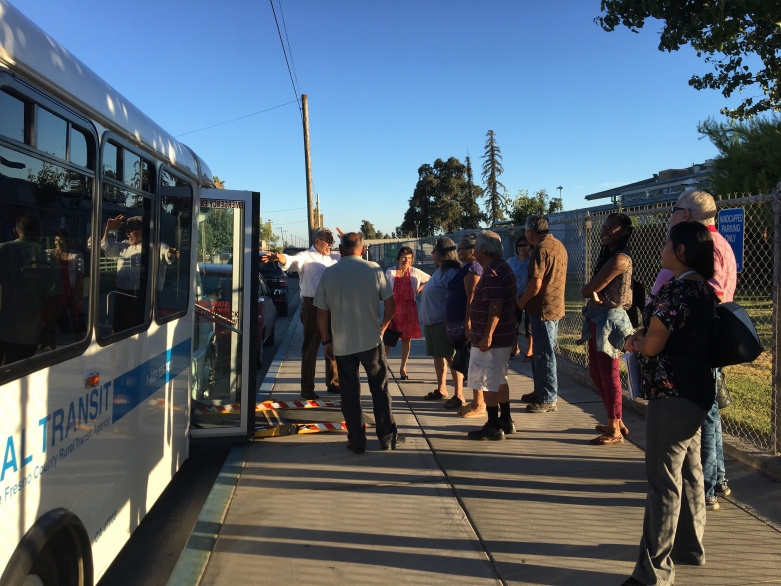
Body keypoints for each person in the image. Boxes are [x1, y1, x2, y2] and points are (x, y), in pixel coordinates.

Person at [621, 222, 717, 586]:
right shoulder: (704, 290)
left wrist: (634, 342)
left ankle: (653, 572)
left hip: (671, 395)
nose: (662, 249)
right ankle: (690, 547)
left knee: (663, 484)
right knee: (691, 471)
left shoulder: (675, 292)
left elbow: (654, 345)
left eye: (666, 244)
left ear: (680, 251)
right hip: (697, 394)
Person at [649, 191, 737, 511]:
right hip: (712, 338)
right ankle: (718, 477)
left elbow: (684, 296)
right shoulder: (723, 244)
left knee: (703, 416)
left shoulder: (698, 250)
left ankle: (708, 486)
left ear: (685, 215)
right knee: (709, 411)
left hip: (690, 343)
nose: (670, 217)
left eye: (673, 211)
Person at [314, 232, 402, 453]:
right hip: (371, 341)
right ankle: (387, 438)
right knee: (380, 390)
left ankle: (356, 440)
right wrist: (382, 327)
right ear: (362, 249)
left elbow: (321, 313)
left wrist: (326, 341)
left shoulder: (329, 274)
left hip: (342, 345)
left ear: (341, 249)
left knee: (350, 395)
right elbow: (391, 305)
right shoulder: (374, 270)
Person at [265, 227, 341, 400]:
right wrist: (279, 257)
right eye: (327, 241)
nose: (330, 244)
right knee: (311, 347)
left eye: (332, 241)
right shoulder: (305, 256)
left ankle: (334, 382)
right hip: (313, 305)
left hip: (332, 305)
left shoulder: (334, 257)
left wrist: (345, 239)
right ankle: (307, 388)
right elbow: (290, 261)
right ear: (316, 241)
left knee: (333, 345)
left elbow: (353, 253)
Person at [580, 213, 635, 445]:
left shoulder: (620, 259)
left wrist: (593, 290)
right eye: (604, 227)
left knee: (609, 375)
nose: (604, 231)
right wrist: (594, 291)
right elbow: (592, 290)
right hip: (597, 317)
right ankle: (616, 420)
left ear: (623, 230)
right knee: (596, 372)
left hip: (610, 321)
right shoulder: (610, 256)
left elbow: (587, 289)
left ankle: (614, 429)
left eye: (610, 228)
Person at [466, 230, 517, 441]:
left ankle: (494, 425)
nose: (473, 251)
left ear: (484, 249)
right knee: (499, 379)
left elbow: (496, 306)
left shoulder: (493, 272)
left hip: (491, 341)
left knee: (487, 382)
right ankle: (506, 419)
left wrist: (487, 336)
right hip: (502, 337)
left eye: (475, 246)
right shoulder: (502, 267)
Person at [517, 215, 568, 412]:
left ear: (530, 232)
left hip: (542, 309)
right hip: (552, 306)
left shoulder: (540, 249)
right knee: (539, 353)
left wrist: (520, 303)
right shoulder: (557, 245)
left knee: (545, 354)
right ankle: (540, 390)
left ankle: (548, 398)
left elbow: (535, 284)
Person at [101, 214, 178, 333]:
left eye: (132, 229)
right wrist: (108, 229)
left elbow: (166, 255)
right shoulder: (124, 246)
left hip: (145, 298)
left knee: (139, 334)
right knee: (117, 332)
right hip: (123, 296)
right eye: (127, 229)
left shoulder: (156, 246)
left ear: (144, 230)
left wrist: (170, 253)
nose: (127, 232)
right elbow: (103, 246)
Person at [0, 215, 61, 365]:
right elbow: (52, 300)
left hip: (2, 327)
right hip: (27, 334)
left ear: (15, 231)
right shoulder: (47, 259)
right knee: (15, 380)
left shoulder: (2, 251)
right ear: (39, 233)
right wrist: (50, 331)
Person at [444, 233, 485, 415]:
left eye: (460, 249)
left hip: (464, 325)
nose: (458, 252)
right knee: (465, 362)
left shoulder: (473, 268)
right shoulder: (467, 267)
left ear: (471, 251)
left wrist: (468, 323)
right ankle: (475, 401)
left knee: (471, 363)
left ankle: (479, 403)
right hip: (456, 324)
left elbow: (472, 298)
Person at [417, 237, 462, 403]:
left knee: (451, 358)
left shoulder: (451, 272)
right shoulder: (439, 270)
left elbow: (454, 296)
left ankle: (459, 394)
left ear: (444, 253)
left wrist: (448, 319)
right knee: (438, 356)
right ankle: (441, 388)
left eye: (435, 250)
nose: (432, 253)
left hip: (442, 322)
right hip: (431, 322)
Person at [384, 246, 430, 380]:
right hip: (393, 310)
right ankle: (382, 366)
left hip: (409, 311)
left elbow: (430, 279)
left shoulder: (415, 272)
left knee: (406, 340)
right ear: (398, 258)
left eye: (409, 258)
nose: (406, 260)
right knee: (388, 340)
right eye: (404, 257)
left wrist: (420, 289)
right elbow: (385, 289)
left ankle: (403, 367)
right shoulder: (390, 272)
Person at [48, 229, 85, 338]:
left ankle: (80, 345)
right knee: (52, 322)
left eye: (61, 240)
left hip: (71, 293)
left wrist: (77, 296)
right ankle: (52, 349)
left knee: (76, 322)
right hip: (56, 294)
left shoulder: (77, 255)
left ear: (67, 241)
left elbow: (80, 276)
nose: (58, 243)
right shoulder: (50, 253)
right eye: (56, 240)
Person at [507, 234, 533, 361]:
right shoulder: (511, 261)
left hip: (528, 296)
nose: (521, 248)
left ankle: (530, 350)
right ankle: (514, 347)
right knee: (513, 323)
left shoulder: (532, 261)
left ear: (529, 246)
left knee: (529, 324)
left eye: (524, 245)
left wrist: (526, 293)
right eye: (519, 245)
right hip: (514, 297)